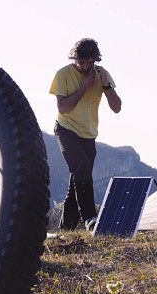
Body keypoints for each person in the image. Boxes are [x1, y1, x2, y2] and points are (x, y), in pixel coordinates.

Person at [50, 38, 122, 231]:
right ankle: (90, 219)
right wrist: (84, 86)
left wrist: (105, 85)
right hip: (66, 130)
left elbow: (117, 108)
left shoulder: (101, 74)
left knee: (77, 181)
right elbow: (63, 107)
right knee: (81, 169)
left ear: (94, 60)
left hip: (89, 135)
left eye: (89, 62)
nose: (84, 66)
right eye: (81, 62)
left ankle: (66, 229)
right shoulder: (63, 74)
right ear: (74, 58)